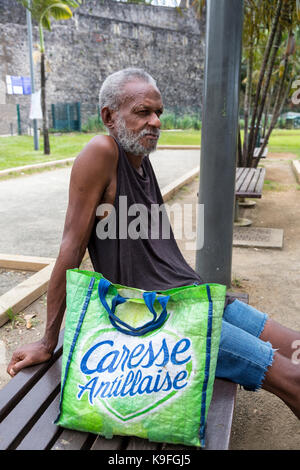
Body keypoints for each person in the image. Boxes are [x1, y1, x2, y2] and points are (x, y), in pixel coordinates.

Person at [7, 68, 300, 420]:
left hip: (192, 299)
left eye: (158, 112)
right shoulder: (102, 152)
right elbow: (70, 250)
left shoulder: (141, 160)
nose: (156, 121)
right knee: (294, 378)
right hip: (159, 320)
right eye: (143, 112)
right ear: (109, 117)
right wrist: (46, 341)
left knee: (296, 348)